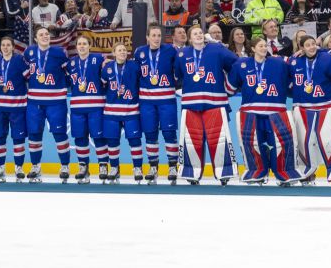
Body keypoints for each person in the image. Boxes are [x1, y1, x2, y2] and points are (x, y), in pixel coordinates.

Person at [226, 37, 300, 186]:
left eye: (265, 45)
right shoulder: (241, 64)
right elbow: (230, 88)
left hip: (276, 110)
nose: (264, 48)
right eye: (260, 46)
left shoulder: (279, 63)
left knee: (283, 144)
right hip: (250, 112)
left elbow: (293, 81)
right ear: (252, 49)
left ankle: (284, 172)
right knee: (252, 144)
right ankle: (256, 171)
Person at [173, 26, 239, 185]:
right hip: (191, 104)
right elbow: (177, 76)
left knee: (219, 138)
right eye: (195, 33)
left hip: (215, 102)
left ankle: (224, 172)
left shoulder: (216, 49)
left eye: (201, 33)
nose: (198, 35)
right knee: (191, 139)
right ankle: (191, 173)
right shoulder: (182, 54)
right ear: (189, 38)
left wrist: (229, 86)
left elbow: (235, 63)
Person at [288, 35, 331, 184]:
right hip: (303, 107)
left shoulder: (327, 57)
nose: (311, 47)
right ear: (301, 48)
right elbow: (287, 83)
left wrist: (323, 49)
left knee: (330, 140)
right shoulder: (294, 61)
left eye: (313, 44)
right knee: (304, 141)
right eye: (307, 45)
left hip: (327, 106)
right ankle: (306, 172)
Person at [23, 27, 71, 183]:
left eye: (46, 34)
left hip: (56, 101)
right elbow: (23, 74)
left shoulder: (59, 53)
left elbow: (70, 73)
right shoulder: (29, 53)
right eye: (41, 35)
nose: (44, 36)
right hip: (35, 102)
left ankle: (64, 166)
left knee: (59, 134)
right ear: (35, 39)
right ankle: (35, 166)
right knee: (34, 134)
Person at [134, 23, 179, 184]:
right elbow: (134, 73)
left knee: (169, 133)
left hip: (167, 100)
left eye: (159, 35)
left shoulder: (170, 51)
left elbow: (179, 69)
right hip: (146, 101)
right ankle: (153, 166)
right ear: (147, 37)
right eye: (153, 35)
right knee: (150, 134)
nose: (156, 38)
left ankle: (172, 165)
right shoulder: (139, 52)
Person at [67, 35, 108, 184]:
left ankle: (103, 165)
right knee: (80, 137)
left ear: (89, 46)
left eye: (85, 43)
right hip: (77, 107)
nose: (82, 46)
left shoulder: (98, 59)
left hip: (96, 106)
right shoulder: (71, 63)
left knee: (98, 137)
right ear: (76, 46)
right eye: (79, 44)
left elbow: (108, 72)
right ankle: (83, 166)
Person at [101, 43, 144, 184]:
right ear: (113, 52)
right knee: (112, 141)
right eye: (119, 50)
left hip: (131, 110)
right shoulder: (107, 68)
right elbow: (103, 86)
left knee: (135, 141)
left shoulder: (134, 66)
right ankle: (114, 168)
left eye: (125, 50)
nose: (122, 52)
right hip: (111, 111)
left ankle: (137, 168)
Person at [0, 36, 29, 183]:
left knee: (18, 138)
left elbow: (29, 77)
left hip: (17, 107)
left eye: (8, 45)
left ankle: (18, 167)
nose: (5, 47)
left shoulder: (19, 60)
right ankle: (0, 167)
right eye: (3, 45)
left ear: (13, 47)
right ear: (0, 47)